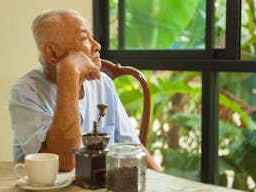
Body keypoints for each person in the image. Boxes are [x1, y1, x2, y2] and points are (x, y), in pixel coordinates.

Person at [9, 8, 160, 172]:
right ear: (52, 53)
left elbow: (132, 148)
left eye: (92, 37)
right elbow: (64, 163)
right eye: (83, 38)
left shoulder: (104, 84)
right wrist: (68, 73)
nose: (97, 45)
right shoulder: (26, 92)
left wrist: (168, 185)